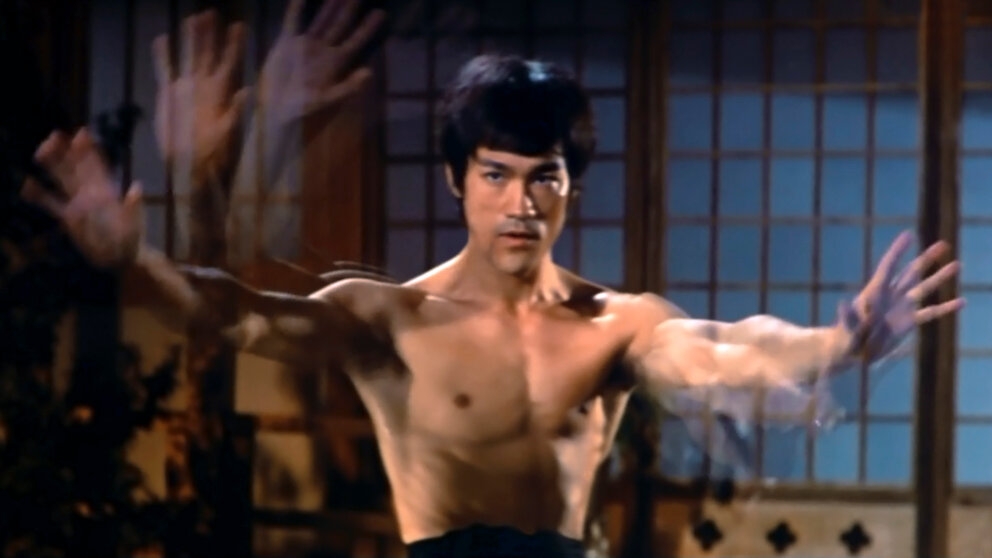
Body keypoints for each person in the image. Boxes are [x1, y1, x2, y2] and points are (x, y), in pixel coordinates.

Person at [21, 19, 963, 558]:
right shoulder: (390, 318)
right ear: (457, 181)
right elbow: (237, 316)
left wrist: (841, 341)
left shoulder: (616, 324)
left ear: (570, 186)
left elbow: (723, 352)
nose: (521, 203)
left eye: (544, 176)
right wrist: (132, 262)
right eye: (496, 175)